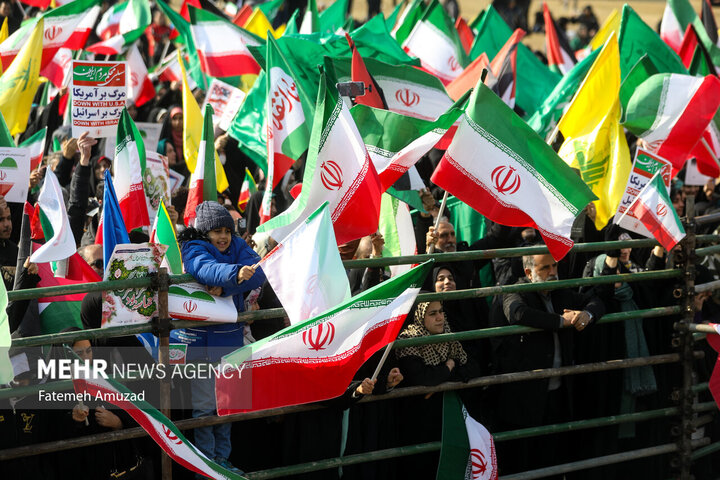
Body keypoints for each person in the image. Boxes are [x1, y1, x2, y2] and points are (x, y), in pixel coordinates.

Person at [489, 250, 605, 476]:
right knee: (525, 464)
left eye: (554, 266)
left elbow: (596, 301)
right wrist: (561, 321)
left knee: (554, 461)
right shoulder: (515, 290)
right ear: (528, 272)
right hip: (525, 400)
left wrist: (586, 315)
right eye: (545, 268)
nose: (553, 272)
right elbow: (518, 313)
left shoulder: (561, 292)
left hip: (558, 395)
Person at [174, 201, 265, 477]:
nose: (223, 237)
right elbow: (204, 268)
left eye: (226, 230)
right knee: (204, 409)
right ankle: (207, 464)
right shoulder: (193, 246)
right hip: (200, 344)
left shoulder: (237, 244)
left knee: (227, 406)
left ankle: (222, 460)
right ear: (205, 233)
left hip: (230, 342)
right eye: (217, 232)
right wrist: (235, 274)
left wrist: (227, 287)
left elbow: (260, 271)